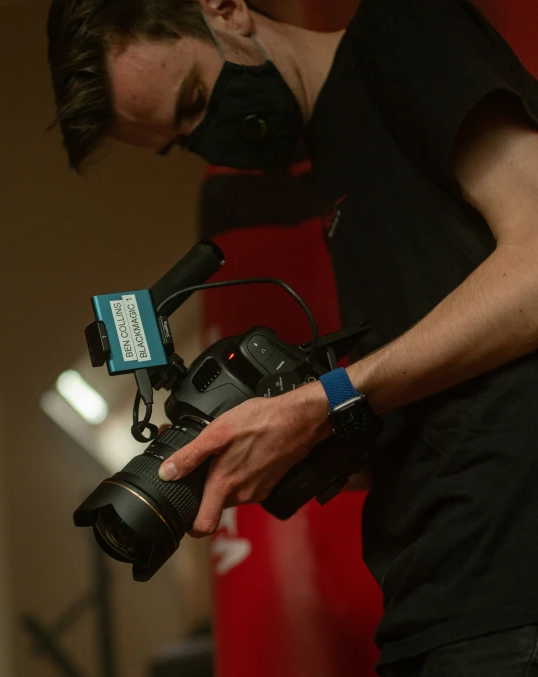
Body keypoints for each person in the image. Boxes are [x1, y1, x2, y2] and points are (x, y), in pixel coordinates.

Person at [46, 1, 538, 674]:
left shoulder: (401, 30)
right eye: (182, 140)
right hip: (430, 607)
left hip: (511, 590)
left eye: (194, 100)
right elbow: (445, 401)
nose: (208, 136)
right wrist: (294, 440)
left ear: (224, 9)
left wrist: (324, 397)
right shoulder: (332, 151)